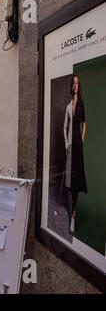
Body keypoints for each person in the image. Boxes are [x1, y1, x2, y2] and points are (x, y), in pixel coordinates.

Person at [63, 75, 88, 232]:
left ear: (79, 86)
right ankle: (69, 210)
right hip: (70, 145)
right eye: (74, 83)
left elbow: (84, 124)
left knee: (77, 179)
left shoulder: (82, 104)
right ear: (71, 86)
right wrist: (66, 143)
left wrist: (82, 139)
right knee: (69, 180)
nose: (75, 85)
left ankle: (73, 215)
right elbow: (64, 127)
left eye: (77, 83)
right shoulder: (68, 106)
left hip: (78, 144)